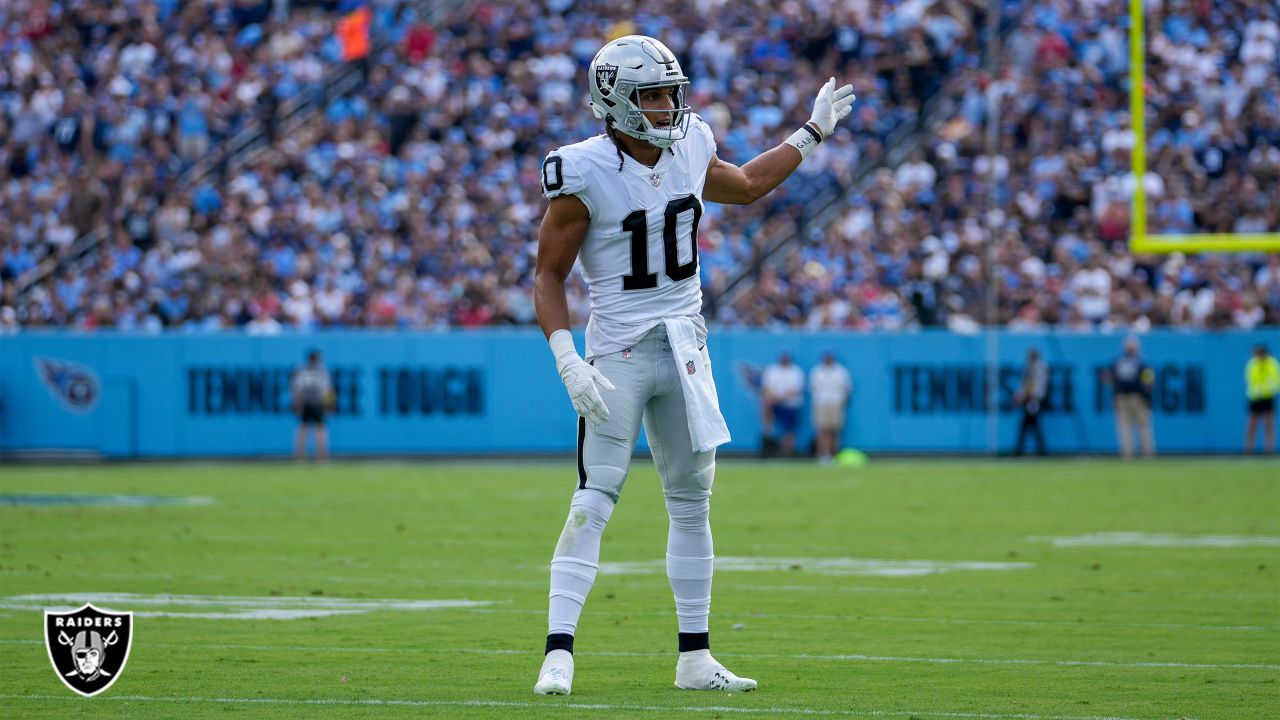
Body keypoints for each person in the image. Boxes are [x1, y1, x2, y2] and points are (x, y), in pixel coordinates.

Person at [532, 35, 854, 695]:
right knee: (594, 499)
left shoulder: (690, 142)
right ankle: (558, 652)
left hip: (683, 347)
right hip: (618, 352)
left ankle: (694, 658)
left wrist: (813, 130)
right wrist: (567, 357)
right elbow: (547, 274)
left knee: (691, 502)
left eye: (670, 91)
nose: (666, 105)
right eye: (650, 94)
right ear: (614, 100)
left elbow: (747, 184)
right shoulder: (582, 169)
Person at [1106, 336, 1155, 458]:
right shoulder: (1142, 362)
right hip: (1137, 396)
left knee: (1125, 426)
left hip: (1122, 396)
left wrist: (1115, 389)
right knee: (1143, 426)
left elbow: (1108, 377)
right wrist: (1147, 396)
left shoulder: (1117, 360)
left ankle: (1128, 453)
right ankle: (1147, 451)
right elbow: (1149, 381)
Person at [808, 350, 852, 463]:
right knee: (822, 430)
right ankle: (823, 454)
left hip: (836, 403)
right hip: (821, 403)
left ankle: (834, 454)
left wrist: (842, 403)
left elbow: (847, 390)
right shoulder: (817, 371)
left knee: (835, 430)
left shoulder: (841, 371)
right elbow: (812, 388)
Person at [290, 349, 333, 460]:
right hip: (317, 402)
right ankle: (322, 454)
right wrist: (329, 404)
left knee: (303, 428)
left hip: (305, 402)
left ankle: (300, 454)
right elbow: (328, 389)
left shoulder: (302, 370)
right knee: (319, 428)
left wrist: (296, 402)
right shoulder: (322, 371)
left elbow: (296, 388)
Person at [762, 350, 805, 457]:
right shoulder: (772, 370)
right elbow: (767, 388)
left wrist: (778, 398)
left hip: (791, 405)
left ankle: (787, 452)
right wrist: (772, 398)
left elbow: (796, 390)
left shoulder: (796, 371)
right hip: (775, 404)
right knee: (765, 406)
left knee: (789, 430)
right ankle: (768, 437)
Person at [1244, 344, 1279, 454]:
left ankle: (1270, 450)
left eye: (1257, 353)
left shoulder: (1272, 363)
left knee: (1269, 425)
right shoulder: (1252, 364)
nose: (1255, 355)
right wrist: (1257, 391)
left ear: (1263, 353)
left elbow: (1276, 380)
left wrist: (1268, 390)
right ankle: (1248, 450)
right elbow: (1250, 379)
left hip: (1268, 397)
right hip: (1254, 398)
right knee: (1251, 425)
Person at [1012, 348, 1048, 456]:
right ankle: (1038, 450)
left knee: (1030, 424)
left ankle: (1021, 450)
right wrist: (1021, 395)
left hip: (1034, 400)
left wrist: (1023, 395)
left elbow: (1035, 387)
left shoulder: (1039, 368)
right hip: (1030, 400)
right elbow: (1026, 385)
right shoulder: (1030, 368)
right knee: (1031, 424)